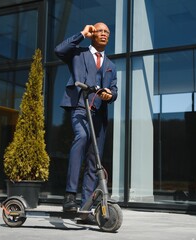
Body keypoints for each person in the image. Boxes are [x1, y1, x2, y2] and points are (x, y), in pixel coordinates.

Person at [54, 22, 118, 212]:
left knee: (94, 159)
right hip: (80, 108)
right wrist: (82, 33)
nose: (104, 34)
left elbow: (114, 90)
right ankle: (70, 195)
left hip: (99, 115)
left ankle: (86, 207)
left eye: (107, 32)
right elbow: (59, 50)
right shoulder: (77, 53)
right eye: (100, 31)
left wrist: (110, 95)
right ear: (92, 34)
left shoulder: (111, 66)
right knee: (81, 137)